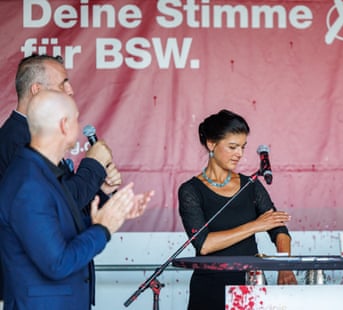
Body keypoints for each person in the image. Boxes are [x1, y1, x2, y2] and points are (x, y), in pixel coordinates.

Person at [0, 90, 153, 310]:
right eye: (76, 119)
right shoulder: (29, 184)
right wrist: (102, 229)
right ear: (64, 125)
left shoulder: (42, 172)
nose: (79, 127)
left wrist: (111, 207)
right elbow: (57, 263)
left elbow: (60, 232)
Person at [0, 54, 121, 302]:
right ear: (37, 92)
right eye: (63, 83)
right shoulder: (19, 148)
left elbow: (64, 213)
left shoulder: (35, 157)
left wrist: (103, 194)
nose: (70, 89)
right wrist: (93, 165)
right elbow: (55, 257)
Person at [178, 109, 297, 310]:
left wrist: (284, 266)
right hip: (210, 289)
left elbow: (279, 231)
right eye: (233, 147)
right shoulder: (191, 191)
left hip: (250, 287)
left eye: (243, 147)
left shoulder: (251, 185)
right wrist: (254, 226)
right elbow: (204, 244)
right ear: (211, 144)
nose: (239, 154)